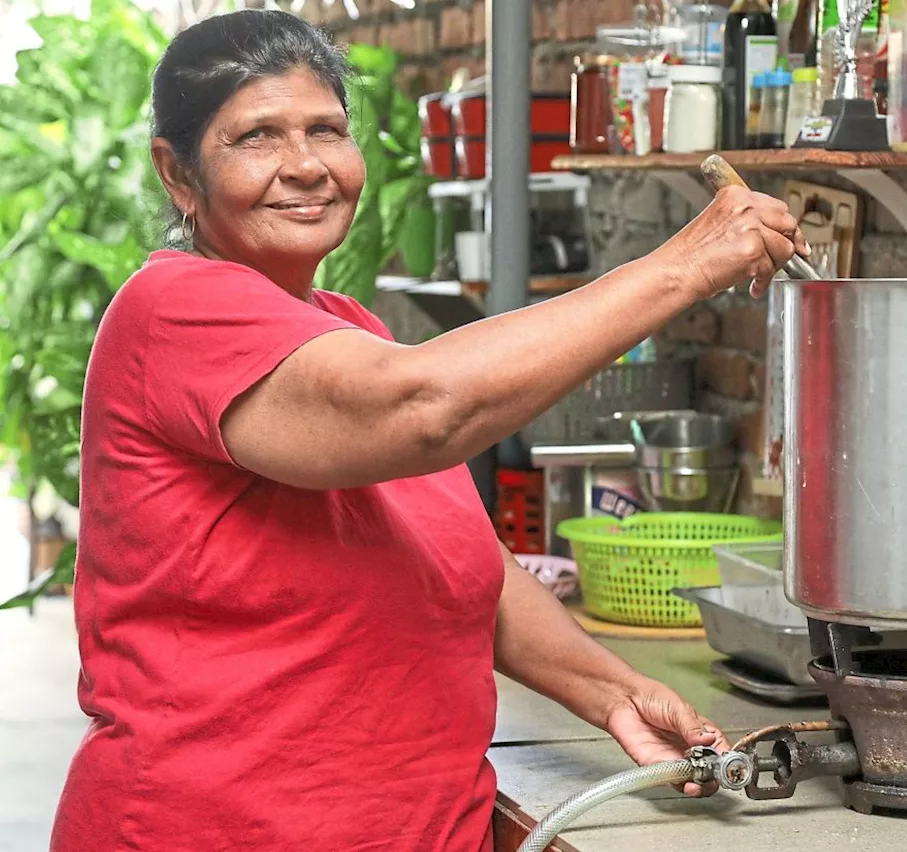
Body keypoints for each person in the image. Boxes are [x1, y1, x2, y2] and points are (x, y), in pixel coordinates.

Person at [51, 10, 807, 852]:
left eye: (326, 130)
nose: (304, 166)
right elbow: (424, 410)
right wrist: (685, 265)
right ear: (178, 173)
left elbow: (459, 563)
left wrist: (614, 691)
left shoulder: (349, 333)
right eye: (256, 137)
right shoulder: (174, 313)